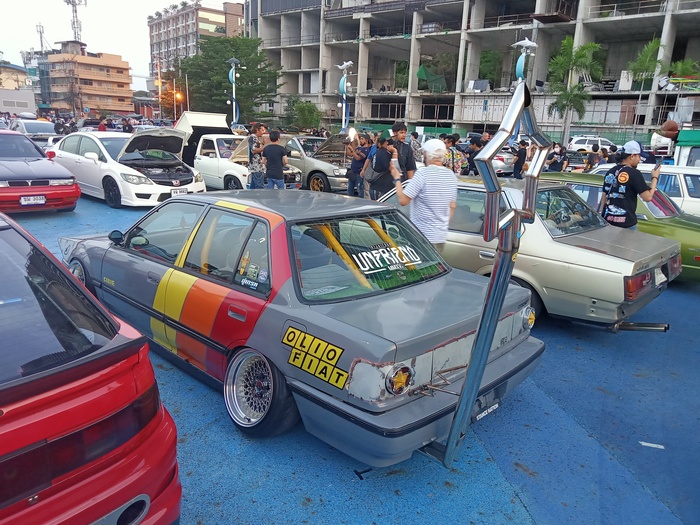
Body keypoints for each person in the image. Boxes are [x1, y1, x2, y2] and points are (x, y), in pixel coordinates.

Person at [389, 139, 457, 252]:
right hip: (440, 236)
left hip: (422, 235)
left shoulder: (423, 173)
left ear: (426, 154)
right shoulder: (451, 175)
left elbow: (403, 200)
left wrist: (397, 178)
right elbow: (452, 206)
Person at [599, 141, 659, 229]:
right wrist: (655, 177)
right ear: (632, 156)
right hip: (627, 224)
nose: (639, 159)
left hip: (608, 222)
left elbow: (604, 197)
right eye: (639, 156)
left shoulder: (610, 172)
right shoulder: (634, 173)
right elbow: (648, 197)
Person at [248, 123, 267, 189]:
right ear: (257, 129)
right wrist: (265, 148)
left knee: (253, 186)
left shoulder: (254, 137)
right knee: (259, 186)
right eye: (262, 130)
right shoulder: (254, 137)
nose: (263, 132)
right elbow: (254, 150)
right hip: (257, 166)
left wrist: (263, 144)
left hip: (255, 166)